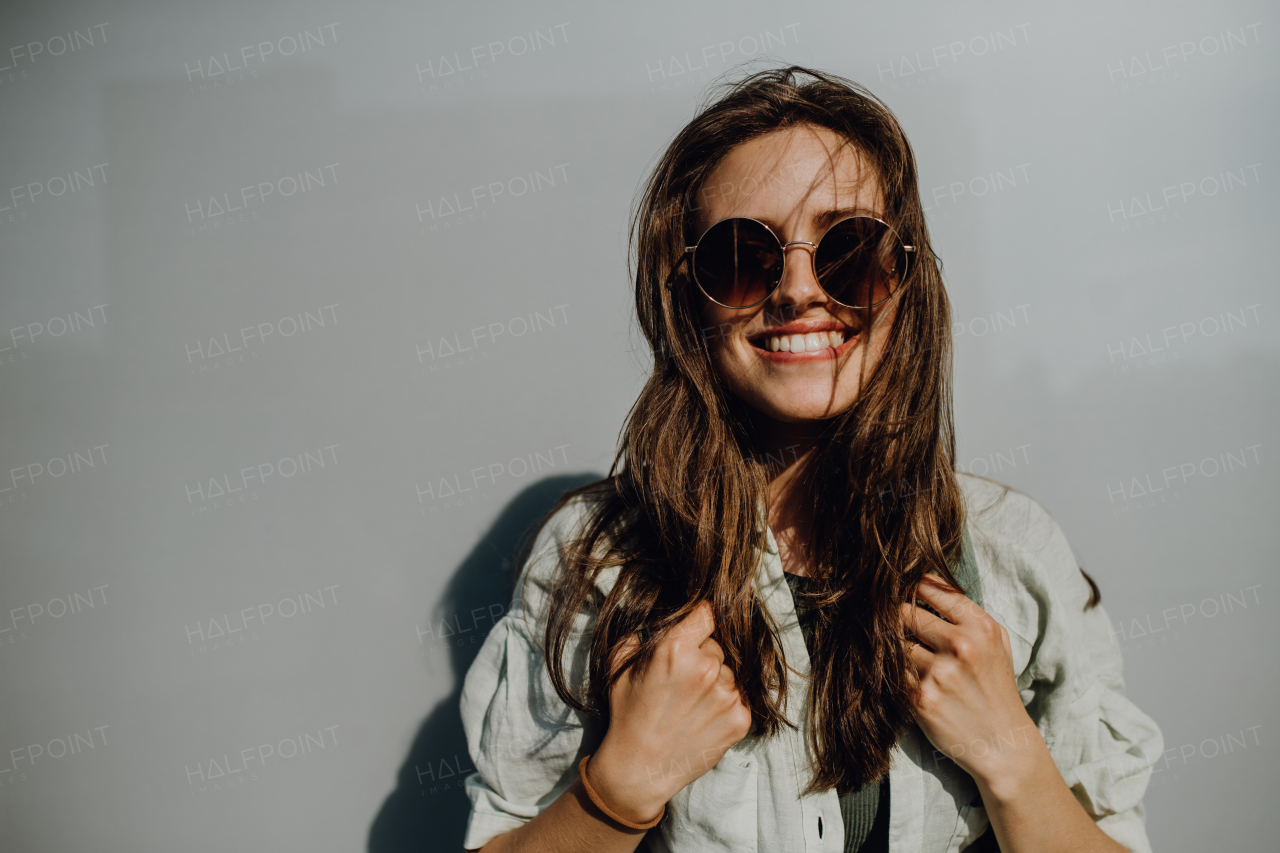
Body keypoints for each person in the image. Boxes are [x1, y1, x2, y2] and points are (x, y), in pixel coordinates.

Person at [458, 65, 1163, 853]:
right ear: (686, 294)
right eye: (741, 256)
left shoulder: (1013, 554)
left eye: (848, 249)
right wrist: (620, 788)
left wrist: (1013, 759)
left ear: (903, 278)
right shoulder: (598, 562)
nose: (797, 290)